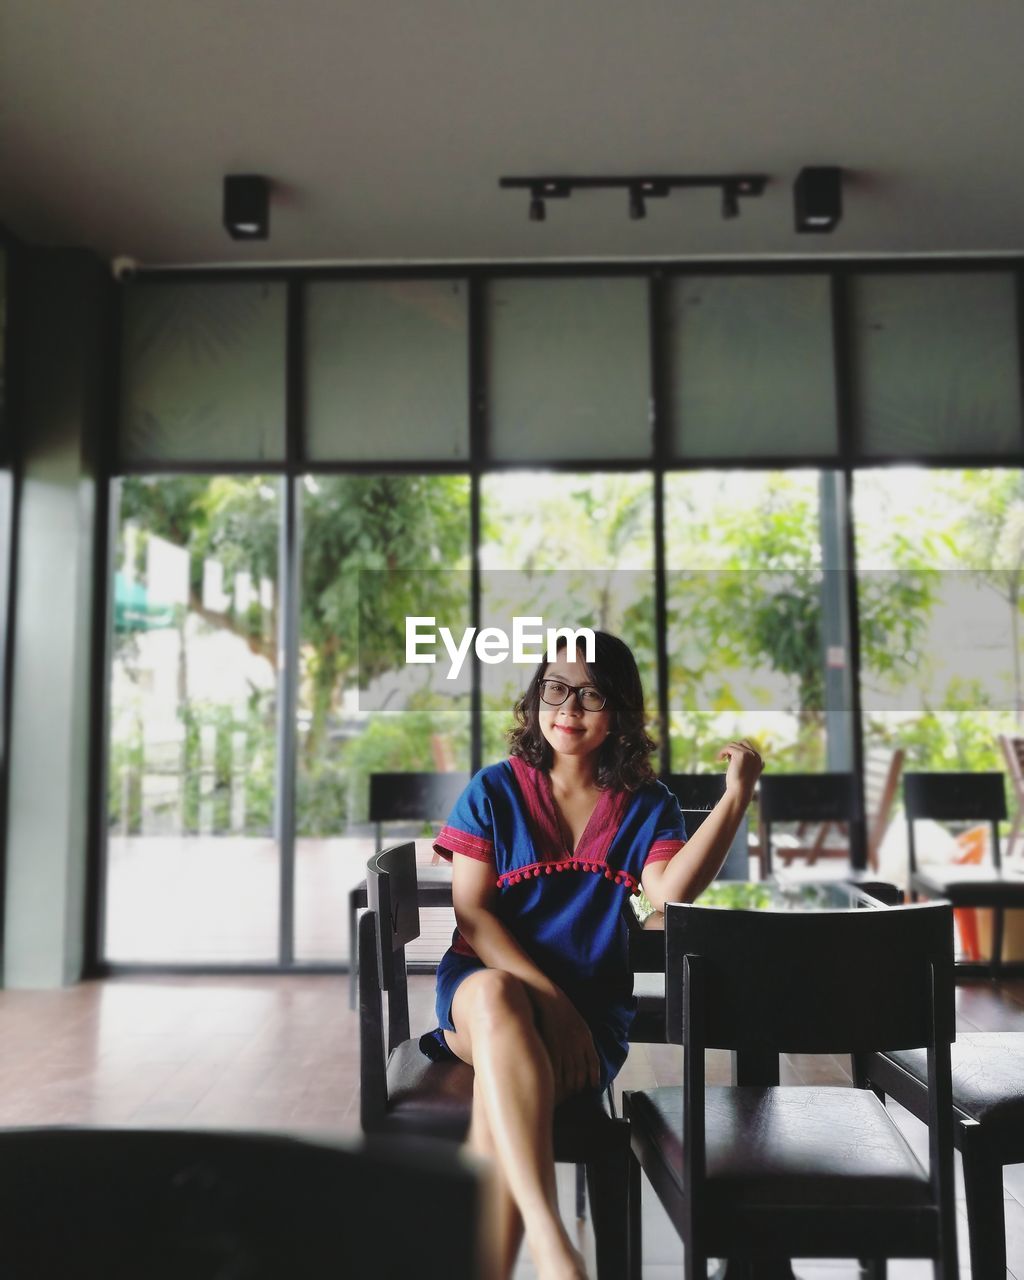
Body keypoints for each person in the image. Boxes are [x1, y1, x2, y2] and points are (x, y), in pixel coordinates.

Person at [423, 631, 762, 1280]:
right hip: (482, 996)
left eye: (591, 695)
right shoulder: (494, 790)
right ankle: (555, 1251)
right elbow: (474, 916)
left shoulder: (648, 805)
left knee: (497, 1113)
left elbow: (671, 891)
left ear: (620, 712)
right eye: (555, 689)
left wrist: (734, 798)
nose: (568, 709)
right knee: (499, 995)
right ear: (535, 697)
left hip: (592, 1019)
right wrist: (554, 1004)